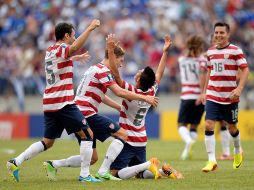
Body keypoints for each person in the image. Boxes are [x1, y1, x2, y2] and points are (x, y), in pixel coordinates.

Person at [43, 33, 159, 181]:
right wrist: (145, 97)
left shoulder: (95, 69)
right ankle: (103, 172)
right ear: (113, 58)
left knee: (92, 158)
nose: (121, 64)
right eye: (120, 60)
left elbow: (101, 96)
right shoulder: (103, 71)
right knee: (122, 134)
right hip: (86, 112)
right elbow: (119, 91)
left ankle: (54, 164)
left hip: (79, 111)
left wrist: (118, 107)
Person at [6, 20, 102, 183]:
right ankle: (85, 175)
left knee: (48, 142)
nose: (75, 37)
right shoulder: (63, 48)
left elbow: (61, 61)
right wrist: (90, 28)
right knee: (88, 134)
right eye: (73, 34)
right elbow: (72, 47)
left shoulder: (51, 50)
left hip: (49, 102)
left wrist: (75, 57)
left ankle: (16, 161)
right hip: (62, 102)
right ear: (66, 35)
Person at [108, 34, 183, 180]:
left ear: (138, 79)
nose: (139, 70)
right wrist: (165, 52)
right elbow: (160, 73)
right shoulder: (151, 90)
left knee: (115, 173)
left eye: (140, 72)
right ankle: (162, 171)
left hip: (128, 139)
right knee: (140, 175)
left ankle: (149, 164)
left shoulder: (131, 91)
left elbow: (116, 75)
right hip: (141, 139)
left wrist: (110, 51)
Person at [201, 22, 249, 172]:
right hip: (213, 94)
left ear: (228, 34)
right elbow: (210, 71)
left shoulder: (236, 51)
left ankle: (237, 151)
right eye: (216, 33)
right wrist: (204, 91)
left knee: (232, 127)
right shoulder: (210, 52)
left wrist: (239, 88)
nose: (218, 35)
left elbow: (245, 70)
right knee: (209, 124)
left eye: (222, 33)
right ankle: (211, 161)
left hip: (230, 97)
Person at [177, 35, 207, 160]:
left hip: (187, 95)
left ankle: (188, 142)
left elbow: (186, 52)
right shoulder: (202, 60)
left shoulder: (182, 60)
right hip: (199, 96)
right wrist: (202, 93)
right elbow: (202, 76)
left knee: (181, 125)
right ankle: (187, 149)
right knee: (194, 125)